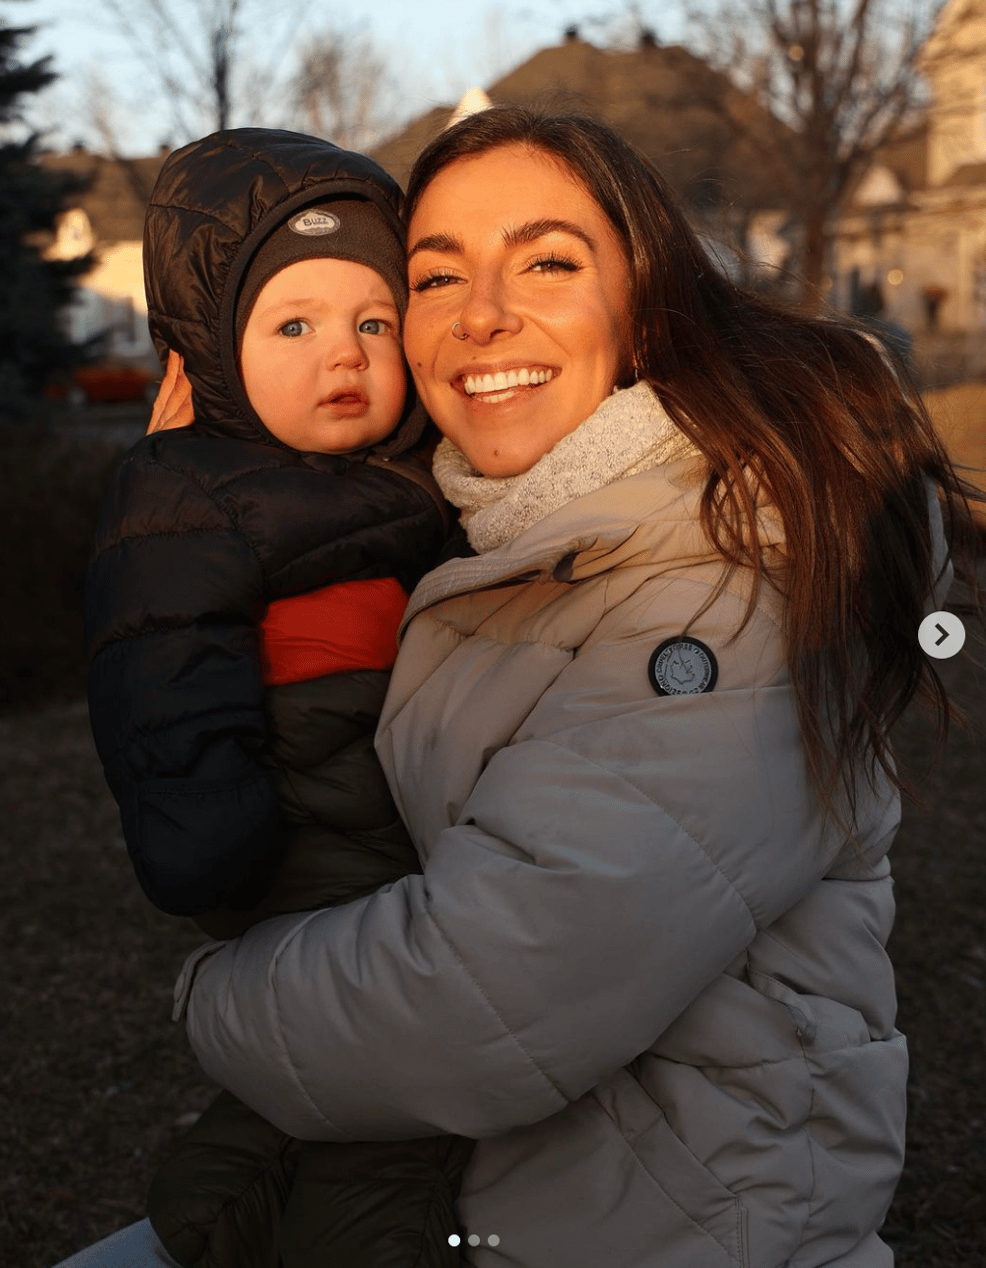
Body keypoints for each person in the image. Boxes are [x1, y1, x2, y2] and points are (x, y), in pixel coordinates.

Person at [58, 107, 982, 1268]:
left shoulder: (730, 576)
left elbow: (482, 1000)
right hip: (472, 1204)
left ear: (647, 299)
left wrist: (210, 997)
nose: (481, 315)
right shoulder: (495, 532)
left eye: (546, 260)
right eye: (435, 278)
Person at [82, 128, 470, 1268]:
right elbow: (162, 669)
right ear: (212, 348)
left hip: (387, 826)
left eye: (373, 322)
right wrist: (216, 842)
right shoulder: (182, 489)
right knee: (399, 1125)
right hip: (299, 843)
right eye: (290, 326)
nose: (339, 355)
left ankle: (215, 1206)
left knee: (310, 1095)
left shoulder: (408, 473)